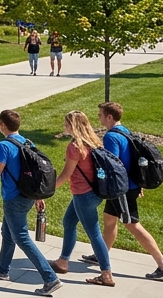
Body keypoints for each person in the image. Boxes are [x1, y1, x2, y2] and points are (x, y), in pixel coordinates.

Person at [0, 109, 61, 295]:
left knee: (21, 237)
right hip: (28, 195)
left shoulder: (3, 146)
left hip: (14, 198)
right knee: (8, 232)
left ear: (2, 125)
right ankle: (1, 269)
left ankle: (50, 278)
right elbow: (36, 173)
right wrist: (38, 197)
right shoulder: (27, 142)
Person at [86, 102, 163, 280]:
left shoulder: (111, 137)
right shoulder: (125, 131)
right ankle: (101, 255)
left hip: (122, 189)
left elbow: (113, 164)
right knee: (109, 220)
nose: (99, 118)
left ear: (109, 117)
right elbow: (132, 160)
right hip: (129, 186)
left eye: (100, 115)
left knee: (132, 224)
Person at [49, 110, 114, 286]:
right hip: (94, 193)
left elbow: (65, 175)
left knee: (94, 234)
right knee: (68, 222)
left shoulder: (75, 147)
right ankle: (62, 262)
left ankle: (106, 274)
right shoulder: (93, 142)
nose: (64, 126)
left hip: (83, 195)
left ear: (73, 126)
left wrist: (44, 191)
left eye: (66, 124)